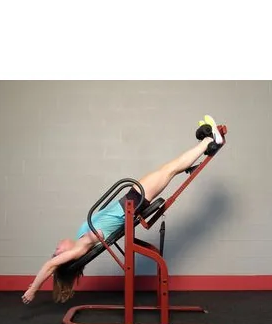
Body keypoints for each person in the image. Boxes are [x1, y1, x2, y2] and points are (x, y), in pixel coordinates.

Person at [22, 115, 224, 304]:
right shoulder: (79, 249)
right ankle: (209, 141)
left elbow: (53, 262)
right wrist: (33, 289)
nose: (57, 248)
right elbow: (50, 266)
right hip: (132, 202)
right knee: (170, 169)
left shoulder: (80, 238)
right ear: (64, 257)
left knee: (169, 169)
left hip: (130, 199)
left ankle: (204, 148)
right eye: (57, 253)